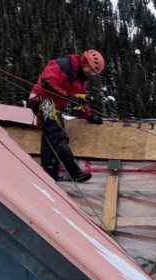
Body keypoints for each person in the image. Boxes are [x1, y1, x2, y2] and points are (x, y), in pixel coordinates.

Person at [28, 50, 106, 182]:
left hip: (56, 106)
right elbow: (47, 83)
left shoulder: (81, 80)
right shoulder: (62, 65)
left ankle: (49, 175)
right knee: (59, 136)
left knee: (50, 139)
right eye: (90, 70)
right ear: (84, 63)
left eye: (94, 73)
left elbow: (80, 101)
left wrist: (88, 116)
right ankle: (75, 172)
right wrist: (70, 97)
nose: (90, 74)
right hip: (43, 99)